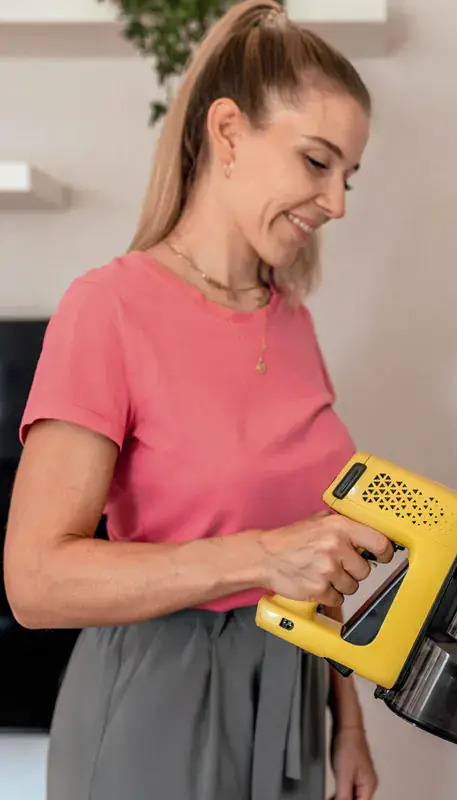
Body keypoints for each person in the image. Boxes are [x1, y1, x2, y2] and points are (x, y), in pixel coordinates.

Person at [2, 2, 395, 799]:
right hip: (158, 702)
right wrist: (264, 556)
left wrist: (346, 722)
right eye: (317, 162)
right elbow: (35, 581)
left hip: (290, 698)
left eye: (348, 175)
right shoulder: (110, 307)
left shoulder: (293, 323)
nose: (337, 202)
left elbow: (315, 551)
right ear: (228, 133)